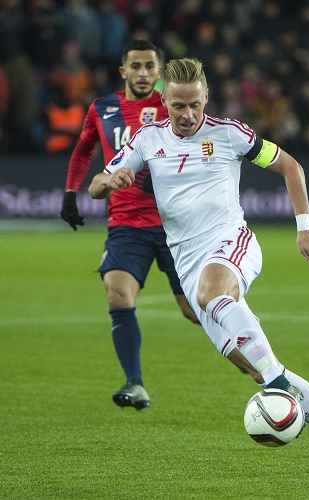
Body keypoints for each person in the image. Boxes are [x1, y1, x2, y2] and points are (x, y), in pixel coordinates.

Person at [88, 58, 309, 472]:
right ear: (164, 101)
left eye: (194, 105)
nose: (188, 115)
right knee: (257, 369)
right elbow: (98, 183)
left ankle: (279, 385)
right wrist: (111, 181)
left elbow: (290, 167)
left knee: (217, 301)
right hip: (187, 264)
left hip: (230, 242)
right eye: (178, 106)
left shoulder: (229, 134)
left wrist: (304, 229)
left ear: (206, 97)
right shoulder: (146, 139)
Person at [60, 40, 199, 411]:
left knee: (195, 309)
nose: (142, 73)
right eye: (135, 66)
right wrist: (72, 192)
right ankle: (135, 383)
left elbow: (199, 148)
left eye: (149, 66)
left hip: (176, 225)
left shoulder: (172, 107)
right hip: (126, 222)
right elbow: (84, 149)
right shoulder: (102, 108)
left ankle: (256, 354)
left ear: (160, 72)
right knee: (117, 294)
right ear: (124, 71)